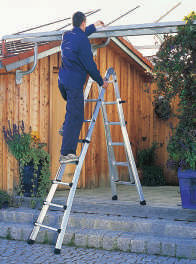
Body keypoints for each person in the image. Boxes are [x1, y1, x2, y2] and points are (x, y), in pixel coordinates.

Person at [58, 11, 108, 164]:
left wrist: (93, 26)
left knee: (72, 111)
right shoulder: (83, 41)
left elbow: (79, 34)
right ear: (83, 22)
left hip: (63, 82)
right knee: (76, 116)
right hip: (73, 84)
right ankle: (66, 153)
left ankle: (65, 128)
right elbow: (90, 66)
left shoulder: (67, 35)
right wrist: (101, 81)